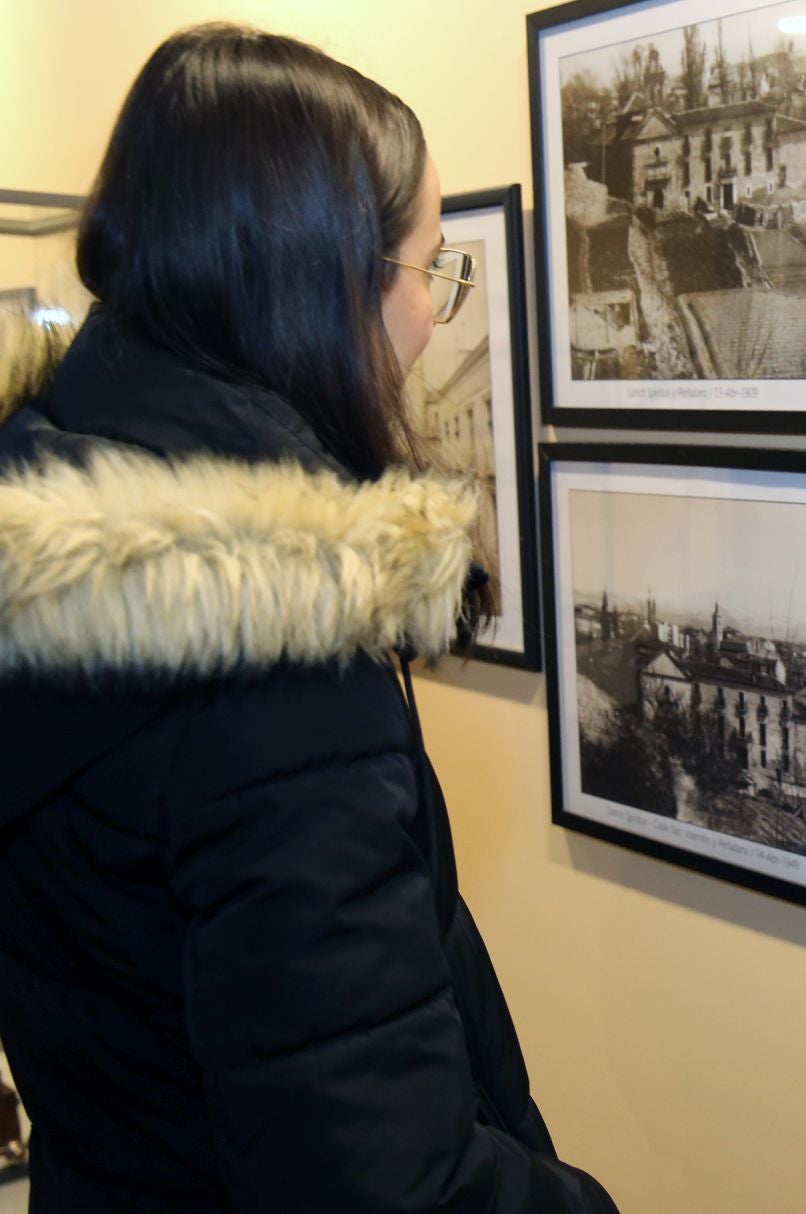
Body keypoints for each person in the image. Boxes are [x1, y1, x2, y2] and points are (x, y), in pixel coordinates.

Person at [0, 26, 617, 1212]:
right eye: (430, 269)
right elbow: (380, 1176)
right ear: (324, 286)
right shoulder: (275, 668)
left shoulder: (54, 550)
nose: (436, 319)